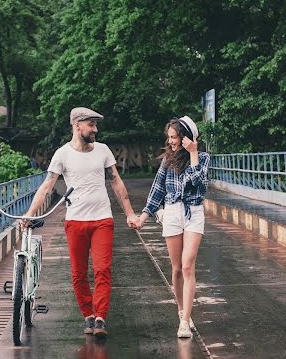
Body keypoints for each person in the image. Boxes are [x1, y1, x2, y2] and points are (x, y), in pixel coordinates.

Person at [21, 107, 139, 338]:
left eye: (96, 125)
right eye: (91, 125)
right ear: (77, 125)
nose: (95, 129)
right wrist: (30, 214)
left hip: (102, 219)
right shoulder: (62, 154)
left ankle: (101, 318)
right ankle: (88, 315)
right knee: (78, 273)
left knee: (103, 269)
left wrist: (130, 213)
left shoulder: (103, 150)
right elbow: (46, 186)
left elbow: (116, 182)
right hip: (75, 221)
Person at [136, 116, 210, 339]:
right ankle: (182, 311)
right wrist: (143, 217)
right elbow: (157, 189)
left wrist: (194, 153)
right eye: (169, 138)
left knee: (188, 266)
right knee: (177, 268)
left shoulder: (203, 158)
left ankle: (185, 322)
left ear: (186, 137)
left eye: (175, 137)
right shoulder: (167, 161)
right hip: (172, 213)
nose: (171, 142)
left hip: (194, 212)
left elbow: (200, 184)